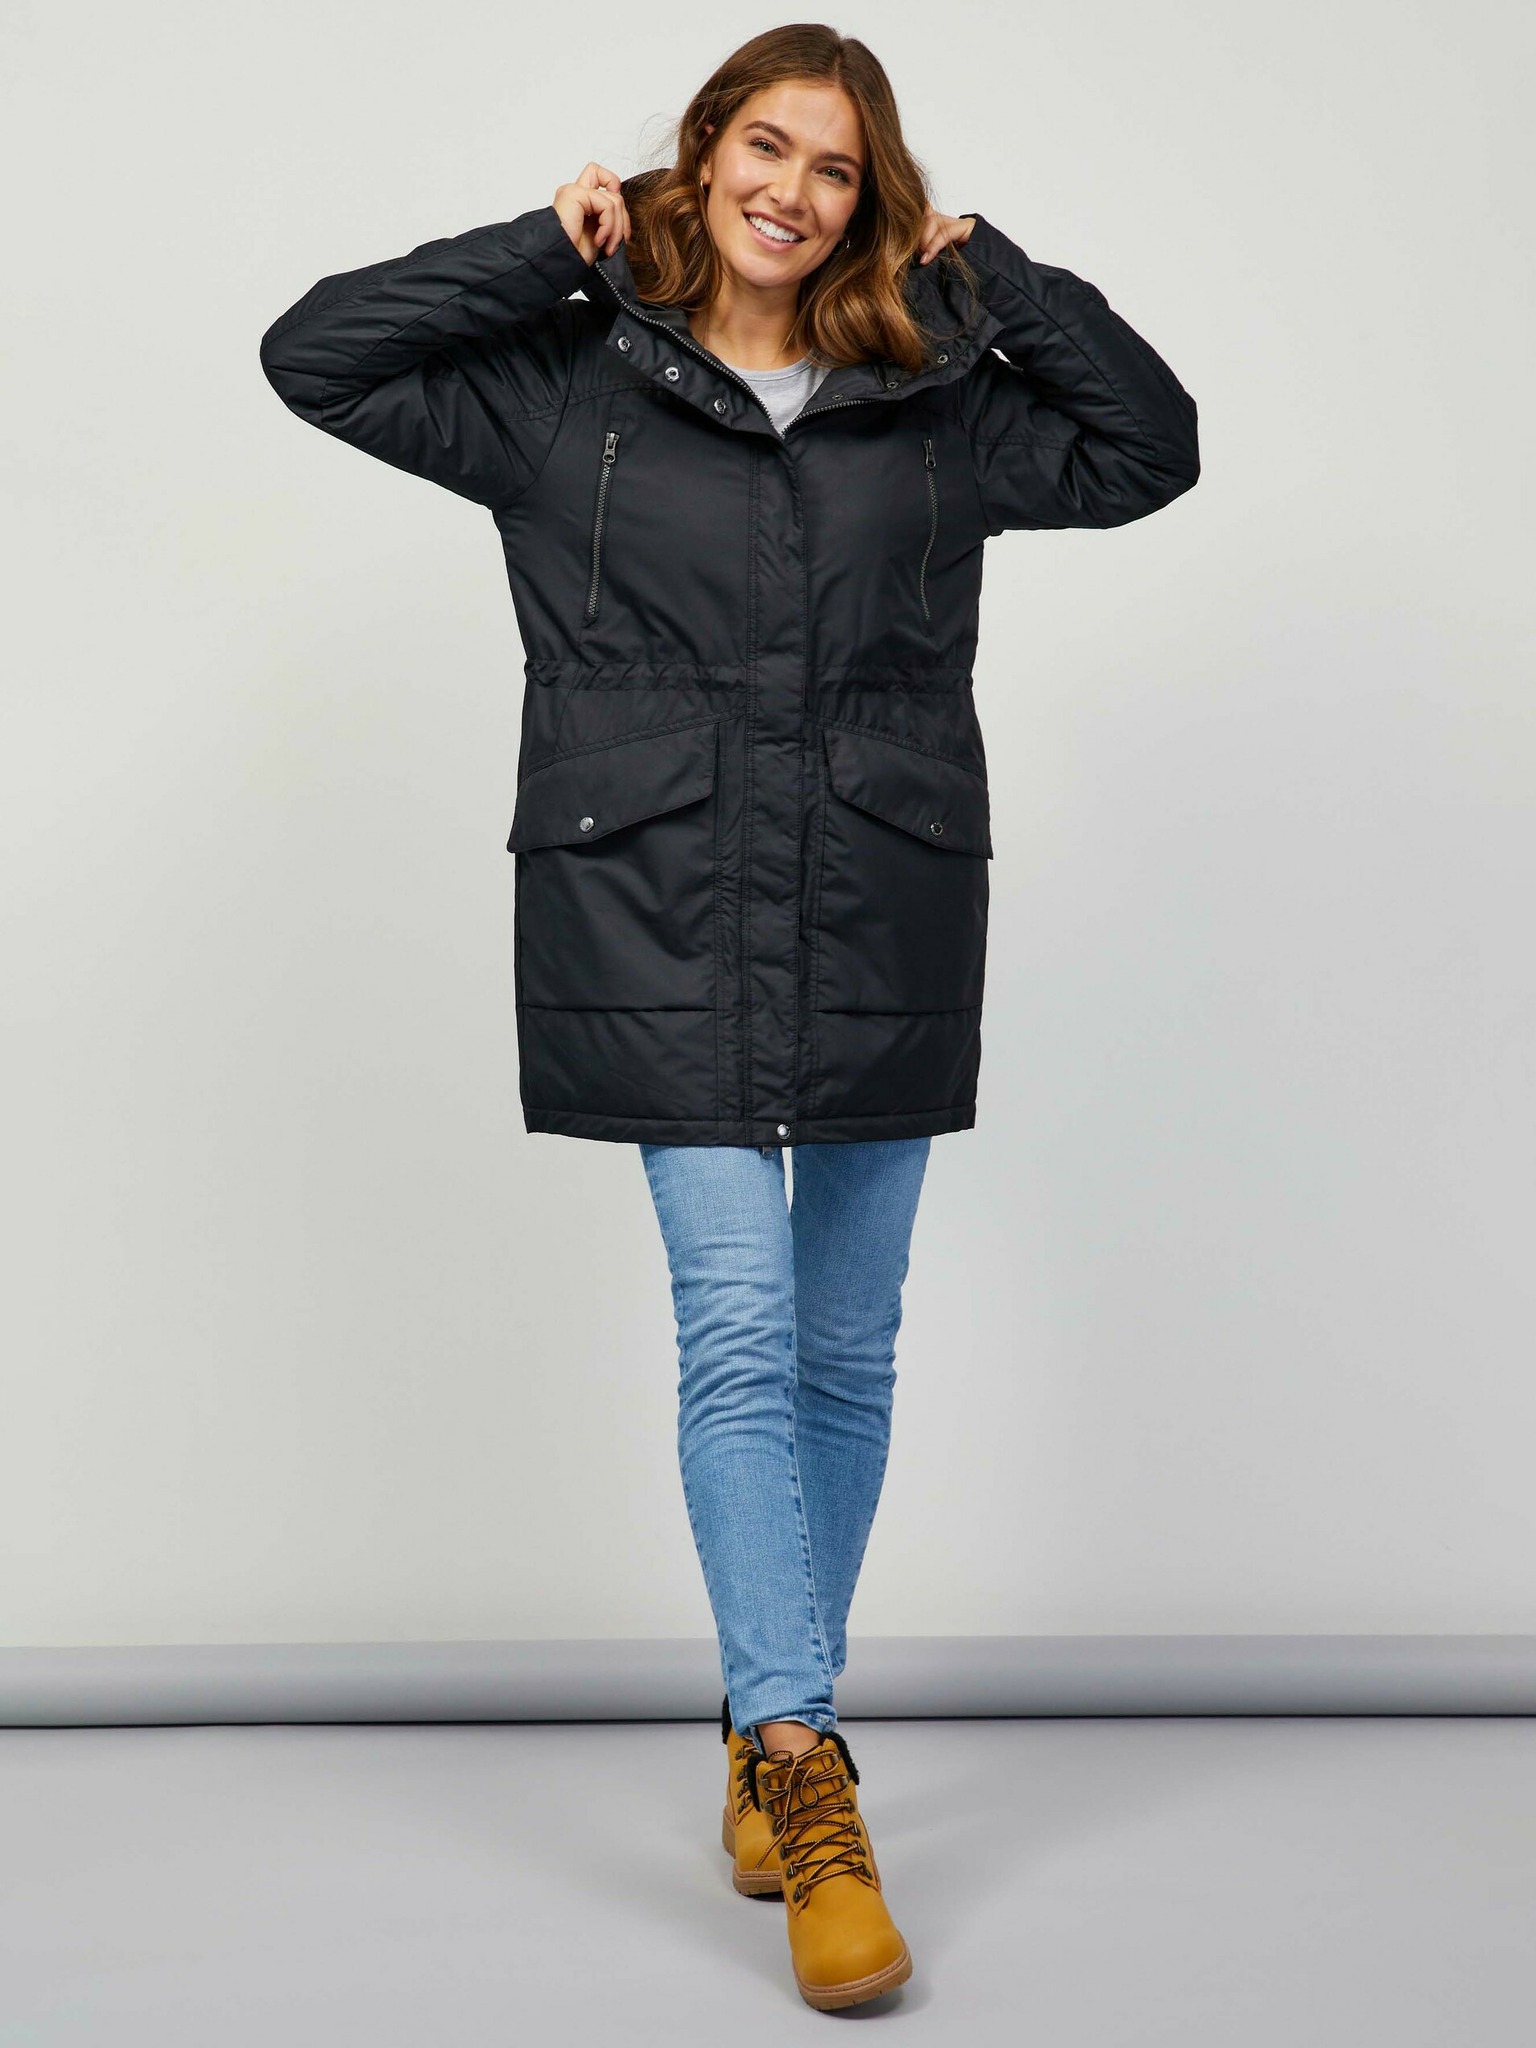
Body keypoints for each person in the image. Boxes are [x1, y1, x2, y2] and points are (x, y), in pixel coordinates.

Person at [259, 22, 1199, 2012]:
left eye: (836, 167)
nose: (794, 189)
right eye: (766, 146)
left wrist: (998, 275)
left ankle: (772, 1734)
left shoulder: (931, 394)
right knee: (743, 1329)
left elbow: (1149, 448)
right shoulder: (564, 385)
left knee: (845, 1349)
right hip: (659, 901)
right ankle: (803, 1765)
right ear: (701, 153)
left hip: (878, 891)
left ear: (872, 197)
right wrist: (544, 247)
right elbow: (318, 352)